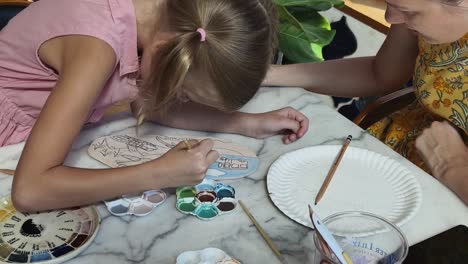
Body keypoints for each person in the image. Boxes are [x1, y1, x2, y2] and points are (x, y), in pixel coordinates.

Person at [0, 0, 309, 211]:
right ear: (164, 52)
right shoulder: (96, 49)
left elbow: (146, 100)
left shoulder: (159, 19)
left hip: (32, 136)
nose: (179, 99)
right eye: (185, 93)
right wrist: (157, 173)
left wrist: (245, 123)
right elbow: (31, 190)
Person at [263, 0, 468, 204]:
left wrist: (452, 168)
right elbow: (380, 74)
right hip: (390, 158)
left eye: (408, 12)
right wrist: (266, 75)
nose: (390, 18)